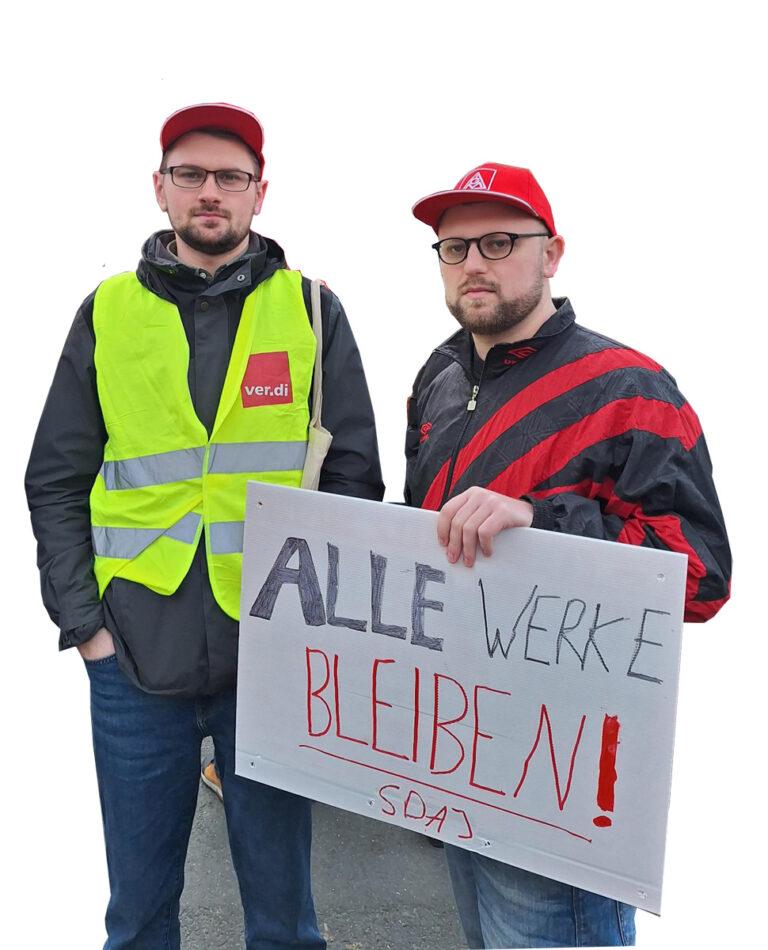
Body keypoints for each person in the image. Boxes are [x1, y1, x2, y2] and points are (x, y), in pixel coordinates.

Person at [25, 102, 384, 950]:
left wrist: (315, 632)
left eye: (231, 176)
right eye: (191, 174)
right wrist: (85, 626)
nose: (210, 192)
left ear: (261, 194)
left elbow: (354, 478)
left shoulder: (310, 311)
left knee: (285, 920)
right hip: (133, 659)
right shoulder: (107, 312)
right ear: (160, 189)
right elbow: (57, 479)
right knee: (140, 917)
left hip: (269, 659)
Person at [405, 162, 731, 949]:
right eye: (454, 248)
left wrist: (538, 521)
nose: (473, 264)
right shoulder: (439, 377)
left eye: (498, 242)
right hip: (459, 756)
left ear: (551, 255)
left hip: (563, 780)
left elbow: (698, 576)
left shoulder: (631, 389)